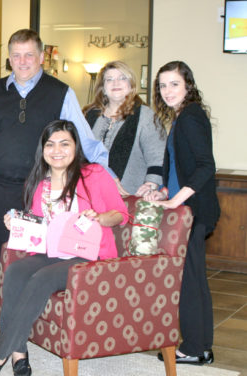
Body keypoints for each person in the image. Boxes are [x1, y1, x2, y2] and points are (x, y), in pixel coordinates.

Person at [0, 28, 111, 338]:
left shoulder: (61, 92)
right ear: (9, 58)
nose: (22, 61)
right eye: (16, 55)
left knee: (37, 254)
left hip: (43, 189)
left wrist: (106, 177)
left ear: (41, 57)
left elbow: (83, 138)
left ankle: (27, 316)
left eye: (29, 54)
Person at [0, 120, 127, 376]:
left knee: (42, 279)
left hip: (90, 254)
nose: (57, 150)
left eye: (64, 143)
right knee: (14, 271)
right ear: (43, 149)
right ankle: (19, 352)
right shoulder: (38, 182)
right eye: (51, 144)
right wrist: (16, 222)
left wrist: (101, 218)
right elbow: (39, 226)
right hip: (53, 251)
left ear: (75, 146)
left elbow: (120, 213)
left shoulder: (94, 174)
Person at [146, 61, 220, 365]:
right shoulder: (184, 116)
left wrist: (176, 201)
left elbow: (205, 166)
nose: (167, 91)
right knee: (193, 279)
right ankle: (200, 346)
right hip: (189, 208)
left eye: (174, 84)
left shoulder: (190, 117)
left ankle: (193, 347)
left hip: (192, 211)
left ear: (187, 85)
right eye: (162, 86)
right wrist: (164, 191)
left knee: (188, 281)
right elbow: (181, 167)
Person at [83, 61, 166, 196]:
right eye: (109, 79)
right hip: (91, 194)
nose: (116, 83)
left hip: (130, 196)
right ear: (103, 87)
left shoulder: (145, 116)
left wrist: (150, 186)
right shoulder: (89, 116)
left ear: (131, 85)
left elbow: (158, 158)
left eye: (122, 78)